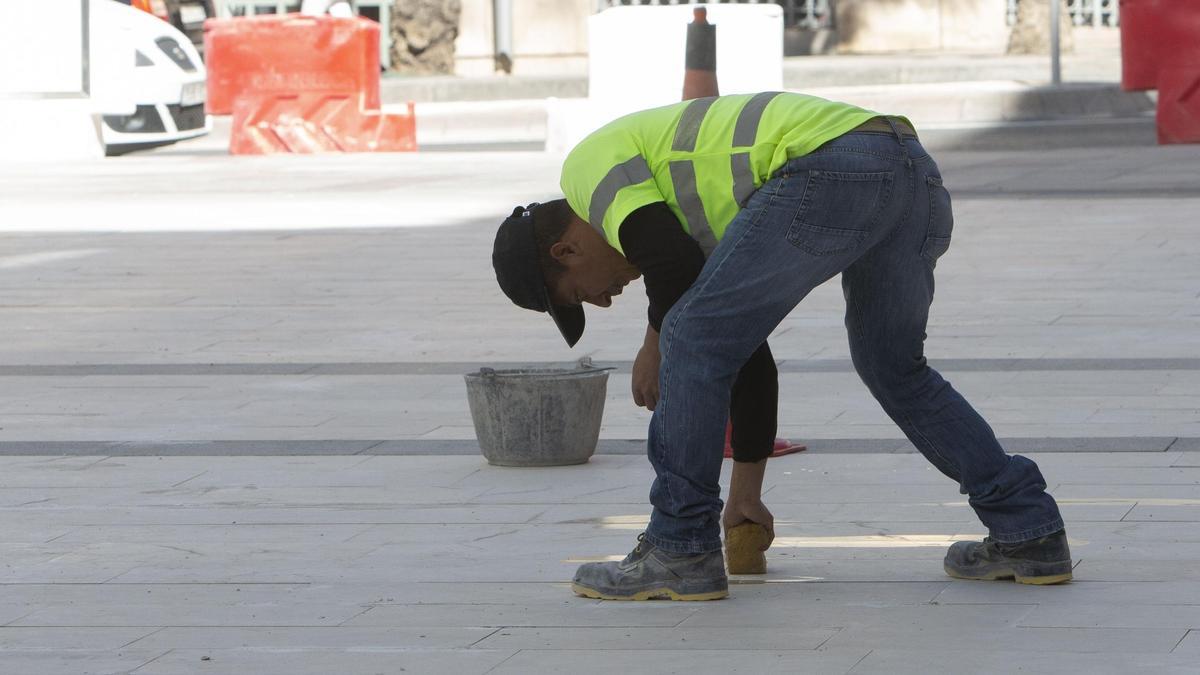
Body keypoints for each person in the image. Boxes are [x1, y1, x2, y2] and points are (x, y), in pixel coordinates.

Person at [491, 92, 1072, 601]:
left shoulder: (588, 171)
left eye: (578, 296)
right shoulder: (680, 206)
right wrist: (746, 493)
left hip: (830, 167)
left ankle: (677, 548)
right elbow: (743, 350)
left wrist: (655, 346)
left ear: (565, 252)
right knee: (893, 366)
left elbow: (671, 274)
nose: (604, 300)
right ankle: (1027, 530)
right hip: (907, 168)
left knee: (687, 336)